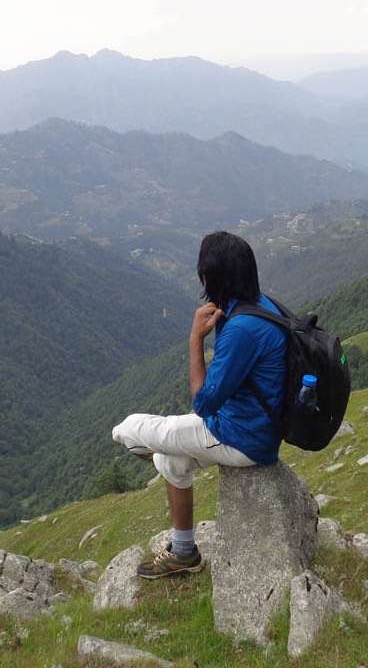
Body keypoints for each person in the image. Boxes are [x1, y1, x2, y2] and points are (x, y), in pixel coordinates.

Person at [111, 231, 286, 579]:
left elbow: (203, 402)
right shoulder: (263, 306)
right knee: (171, 459)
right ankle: (184, 551)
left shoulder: (242, 329)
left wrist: (195, 339)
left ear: (211, 277)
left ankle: (152, 451)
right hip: (256, 427)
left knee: (127, 429)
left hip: (239, 437)